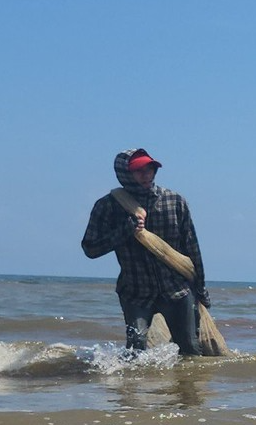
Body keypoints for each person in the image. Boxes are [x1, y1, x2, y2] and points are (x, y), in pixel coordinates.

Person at [81, 148, 213, 355]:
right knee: (136, 351)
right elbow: (90, 248)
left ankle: (185, 388)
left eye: (150, 168)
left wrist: (201, 289)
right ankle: (133, 387)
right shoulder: (107, 206)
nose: (147, 174)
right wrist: (125, 230)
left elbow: (192, 249)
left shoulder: (175, 201)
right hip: (135, 292)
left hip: (176, 290)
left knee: (189, 349)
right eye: (139, 170)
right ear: (125, 173)